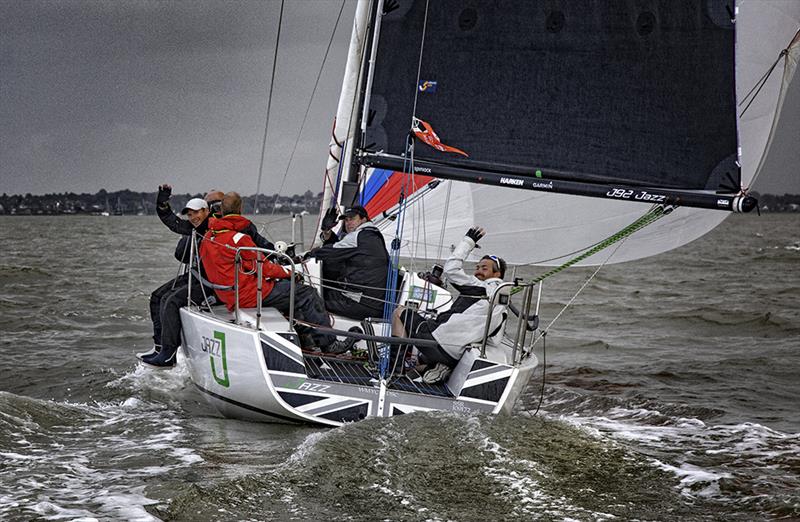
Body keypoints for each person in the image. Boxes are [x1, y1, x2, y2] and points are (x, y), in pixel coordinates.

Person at [200, 192, 352, 354]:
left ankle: (306, 341)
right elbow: (265, 268)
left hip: (226, 294)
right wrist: (290, 273)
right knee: (307, 294)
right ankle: (329, 344)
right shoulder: (239, 239)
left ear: (221, 210)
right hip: (248, 295)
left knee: (291, 292)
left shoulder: (208, 236)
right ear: (241, 208)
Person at [140, 185, 274, 367]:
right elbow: (173, 223)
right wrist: (162, 201)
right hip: (199, 276)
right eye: (212, 205)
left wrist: (278, 257)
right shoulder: (204, 225)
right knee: (158, 297)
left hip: (217, 282)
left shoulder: (241, 226)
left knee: (170, 301)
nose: (216, 209)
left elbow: (262, 247)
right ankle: (160, 348)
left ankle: (168, 353)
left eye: (219, 204)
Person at [392, 226, 507, 384]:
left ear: (497, 274)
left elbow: (451, 269)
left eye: (484, 268)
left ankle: (393, 371)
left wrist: (468, 241)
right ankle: (434, 368)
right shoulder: (503, 305)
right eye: (477, 268)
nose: (478, 272)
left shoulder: (480, 287)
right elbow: (494, 341)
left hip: (438, 343)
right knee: (419, 358)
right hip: (454, 355)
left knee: (399, 312)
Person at [307, 205, 390, 320]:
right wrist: (327, 232)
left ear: (363, 219)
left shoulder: (358, 237)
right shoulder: (372, 235)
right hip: (375, 303)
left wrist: (307, 255)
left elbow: (329, 252)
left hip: (360, 303)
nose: (348, 222)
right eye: (346, 220)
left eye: (352, 219)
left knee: (311, 299)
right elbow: (342, 248)